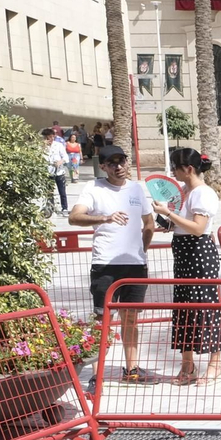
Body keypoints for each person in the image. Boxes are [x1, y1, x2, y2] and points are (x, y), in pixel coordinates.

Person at [68, 145, 152, 381]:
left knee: (131, 318)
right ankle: (97, 375)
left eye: (121, 161)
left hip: (135, 265)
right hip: (105, 265)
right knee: (102, 319)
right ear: (103, 167)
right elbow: (74, 217)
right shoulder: (93, 188)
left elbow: (149, 224)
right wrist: (105, 218)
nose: (118, 167)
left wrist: (141, 251)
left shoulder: (136, 188)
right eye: (112, 163)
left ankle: (132, 371)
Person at [152, 148, 221, 385]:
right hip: (183, 251)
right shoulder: (184, 192)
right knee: (183, 306)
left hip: (199, 251)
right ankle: (187, 365)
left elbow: (198, 228)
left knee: (205, 305)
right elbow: (179, 225)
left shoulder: (203, 193)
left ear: (189, 169)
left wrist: (168, 213)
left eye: (175, 167)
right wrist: (163, 217)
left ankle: (215, 363)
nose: (173, 172)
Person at [43, 129, 71, 215]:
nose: (51, 139)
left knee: (62, 191)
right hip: (48, 172)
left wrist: (60, 162)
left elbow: (65, 157)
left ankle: (64, 208)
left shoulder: (58, 145)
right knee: (49, 192)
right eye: (49, 137)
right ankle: (51, 208)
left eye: (52, 137)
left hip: (59, 172)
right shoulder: (41, 146)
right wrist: (43, 146)